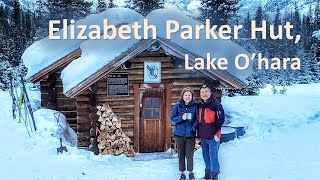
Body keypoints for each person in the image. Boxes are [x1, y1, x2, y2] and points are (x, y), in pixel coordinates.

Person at [198, 84, 225, 180]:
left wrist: (214, 131)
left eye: (206, 92)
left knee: (213, 156)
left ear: (210, 93)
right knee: (205, 156)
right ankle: (208, 173)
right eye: (202, 92)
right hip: (203, 136)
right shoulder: (200, 105)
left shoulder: (216, 105)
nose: (204, 94)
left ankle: (214, 174)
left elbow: (221, 119)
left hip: (214, 136)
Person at [171, 87, 198, 180]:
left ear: (192, 96)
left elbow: (197, 119)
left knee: (190, 155)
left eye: (189, 95)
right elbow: (172, 118)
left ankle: (191, 172)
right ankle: (182, 173)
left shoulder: (195, 106)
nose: (187, 97)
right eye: (186, 95)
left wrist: (193, 128)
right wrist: (181, 118)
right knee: (181, 155)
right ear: (182, 96)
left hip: (190, 135)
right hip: (179, 134)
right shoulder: (177, 106)